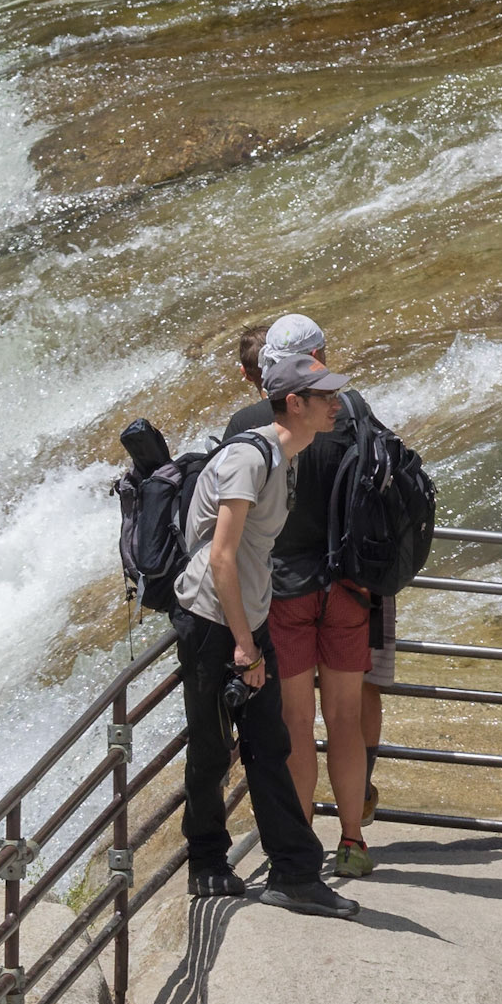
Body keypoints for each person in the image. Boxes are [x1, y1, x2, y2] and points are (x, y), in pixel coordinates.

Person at [173, 350, 361, 921]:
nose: (336, 405)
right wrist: (245, 646)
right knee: (212, 748)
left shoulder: (287, 456)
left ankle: (295, 875)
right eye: (326, 397)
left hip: (247, 618)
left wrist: (251, 634)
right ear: (295, 403)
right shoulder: (249, 459)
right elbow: (222, 558)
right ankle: (207, 861)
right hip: (213, 622)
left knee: (270, 746)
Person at [223, 313, 394, 878]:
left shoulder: (248, 424)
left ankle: (299, 852)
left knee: (296, 723)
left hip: (281, 592)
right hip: (347, 587)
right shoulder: (351, 409)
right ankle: (353, 843)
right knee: (345, 719)